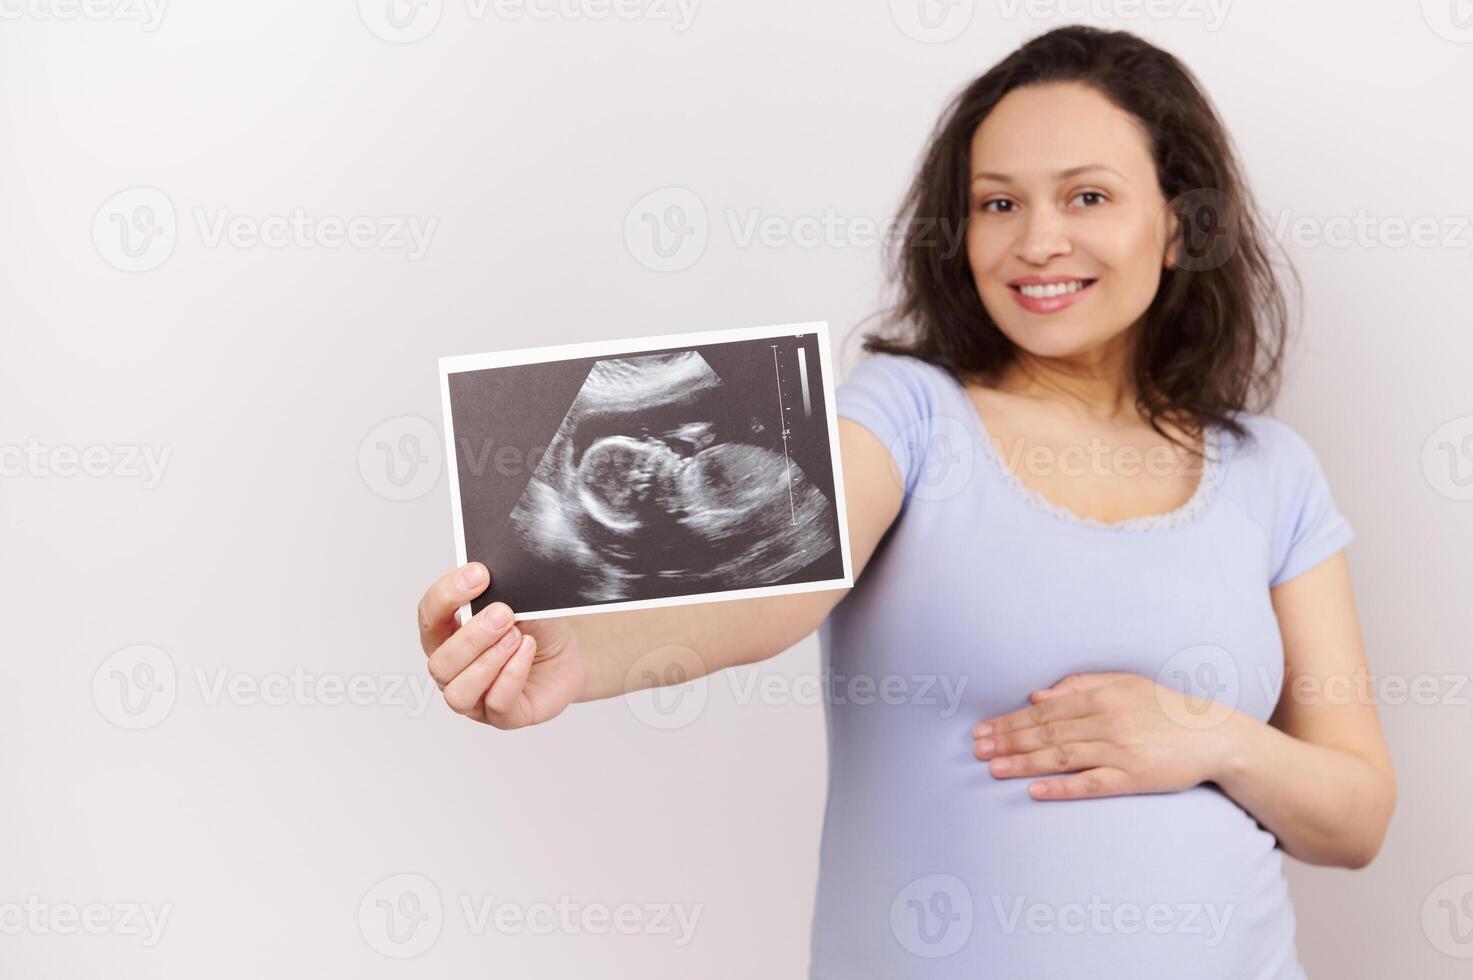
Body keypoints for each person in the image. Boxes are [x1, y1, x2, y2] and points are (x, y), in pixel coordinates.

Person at [416, 25, 1395, 978]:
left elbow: (1355, 814)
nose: (1037, 240)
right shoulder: (907, 413)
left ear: (1180, 223)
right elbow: (767, 588)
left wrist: (1207, 733)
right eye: (997, 203)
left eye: (1087, 195)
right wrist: (577, 653)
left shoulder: (1273, 471)